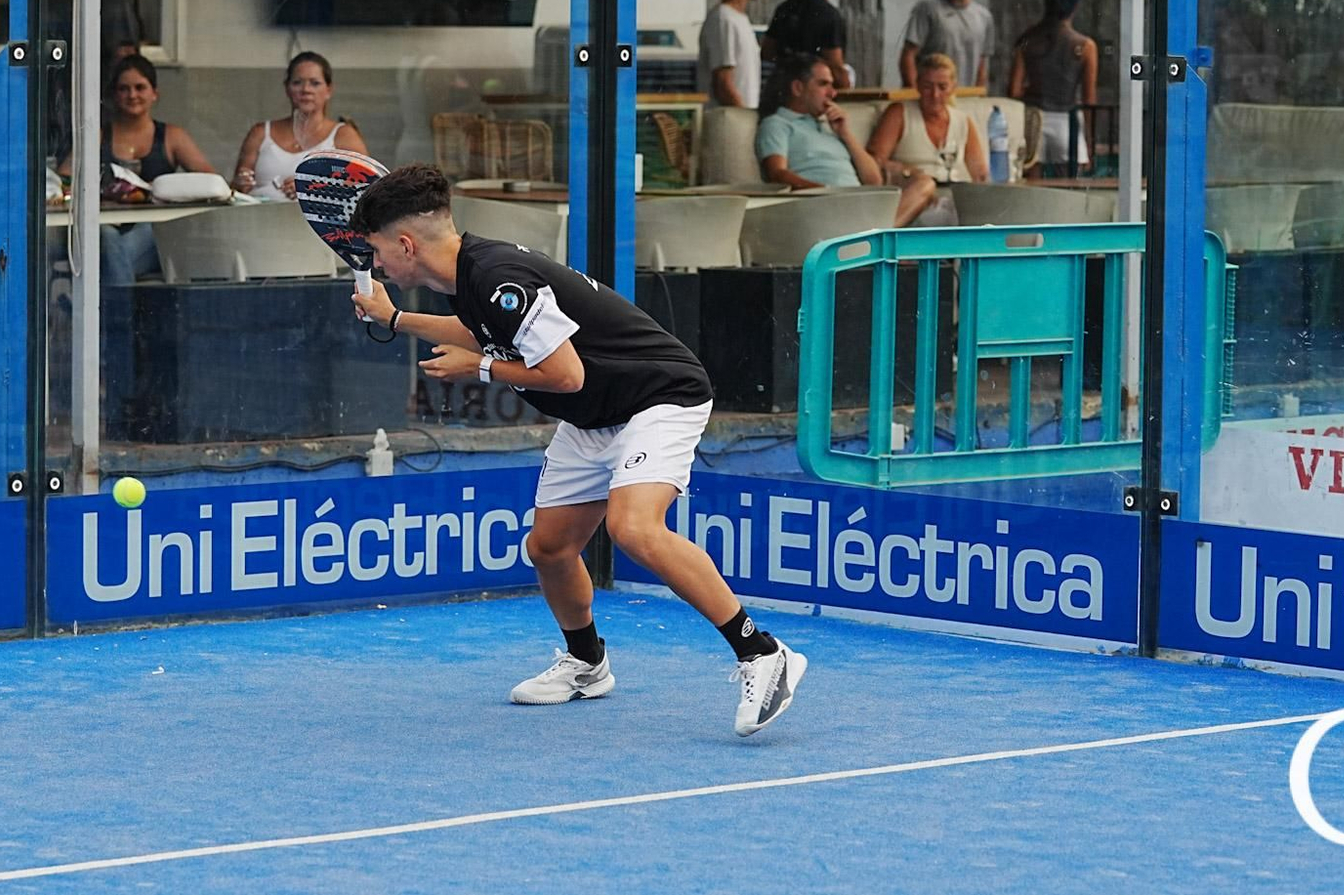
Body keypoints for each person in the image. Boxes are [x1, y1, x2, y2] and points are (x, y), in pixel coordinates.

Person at [348, 166, 807, 737]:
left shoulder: (497, 276)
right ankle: (588, 665)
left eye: (376, 252)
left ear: (406, 244)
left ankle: (762, 653)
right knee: (549, 547)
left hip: (657, 397)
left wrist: (482, 368)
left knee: (635, 529)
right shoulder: (472, 274)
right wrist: (394, 317)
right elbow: (482, 331)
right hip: (594, 415)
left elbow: (563, 374)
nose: (378, 266)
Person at [67, 54, 217, 285]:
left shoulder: (171, 136)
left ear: (154, 93)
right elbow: (64, 178)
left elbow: (210, 181)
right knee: (106, 236)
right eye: (124, 89)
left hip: (156, 233)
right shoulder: (98, 135)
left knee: (116, 251)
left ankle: (110, 315)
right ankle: (124, 316)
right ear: (114, 95)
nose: (132, 95)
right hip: (104, 227)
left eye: (140, 87)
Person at [757, 55, 934, 228]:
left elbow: (874, 180)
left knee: (925, 184)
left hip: (856, 204)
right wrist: (827, 192)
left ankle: (874, 238)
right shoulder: (777, 124)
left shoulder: (830, 126)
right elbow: (777, 173)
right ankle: (876, 240)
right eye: (823, 84)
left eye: (832, 86)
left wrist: (846, 134)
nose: (832, 93)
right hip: (824, 205)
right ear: (797, 88)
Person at [868, 52, 988, 226]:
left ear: (953, 87)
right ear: (917, 85)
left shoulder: (962, 121)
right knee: (926, 188)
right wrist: (908, 172)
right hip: (913, 198)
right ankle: (882, 235)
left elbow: (980, 175)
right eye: (927, 86)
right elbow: (875, 160)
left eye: (942, 87)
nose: (935, 94)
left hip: (952, 200)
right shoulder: (900, 113)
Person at [232, 52, 369, 201]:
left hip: (317, 223)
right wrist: (241, 183)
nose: (306, 90)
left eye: (315, 83)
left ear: (329, 90)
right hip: (259, 219)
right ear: (287, 88)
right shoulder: (260, 133)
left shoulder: (344, 135)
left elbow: (366, 184)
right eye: (297, 82)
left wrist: (316, 187)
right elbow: (235, 188)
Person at [1008, 0, 1098, 177]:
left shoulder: (1027, 40)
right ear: (1075, 7)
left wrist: (1031, 91)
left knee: (1030, 184)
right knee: (1071, 186)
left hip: (1032, 118)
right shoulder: (1085, 46)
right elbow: (1089, 99)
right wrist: (1089, 142)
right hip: (1067, 120)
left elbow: (1014, 91)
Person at [899, 0, 995, 89]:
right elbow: (908, 55)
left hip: (964, 98)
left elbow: (982, 64)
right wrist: (914, 93)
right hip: (931, 97)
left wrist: (978, 96)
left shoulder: (984, 17)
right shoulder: (928, 8)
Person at [696, 0, 767, 111]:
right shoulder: (724, 19)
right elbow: (723, 83)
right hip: (729, 125)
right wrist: (746, 117)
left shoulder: (739, 19)